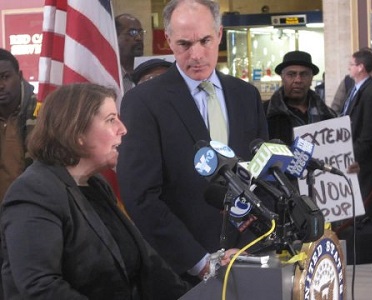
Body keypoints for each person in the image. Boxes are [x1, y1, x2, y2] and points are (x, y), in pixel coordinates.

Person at [117, 0, 268, 284]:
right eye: (185, 44)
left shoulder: (246, 95)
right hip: (182, 274)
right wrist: (199, 262)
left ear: (220, 35)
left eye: (205, 41)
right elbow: (141, 196)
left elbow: (262, 178)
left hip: (247, 260)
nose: (196, 54)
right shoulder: (143, 102)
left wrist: (248, 248)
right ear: (168, 41)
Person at [0, 83, 191, 299]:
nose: (123, 128)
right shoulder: (33, 192)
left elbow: (148, 264)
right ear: (77, 131)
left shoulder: (95, 184)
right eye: (111, 120)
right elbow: (40, 286)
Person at [340, 49, 372, 218]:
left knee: (365, 211)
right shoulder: (355, 89)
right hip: (351, 154)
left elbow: (369, 134)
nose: (348, 68)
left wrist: (352, 156)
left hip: (362, 164)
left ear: (361, 67)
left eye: (351, 64)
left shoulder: (371, 93)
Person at [264, 50, 337, 146]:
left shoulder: (329, 116)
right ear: (282, 77)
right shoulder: (265, 114)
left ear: (311, 79)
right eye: (291, 74)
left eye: (304, 74)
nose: (298, 80)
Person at [0, 48, 37, 203]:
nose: (1, 85)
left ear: (20, 76)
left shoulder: (41, 113)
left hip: (32, 209)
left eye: (5, 77)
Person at [115, 14, 145, 93]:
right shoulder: (107, 76)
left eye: (141, 32)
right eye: (132, 32)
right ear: (116, 37)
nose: (139, 38)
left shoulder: (148, 72)